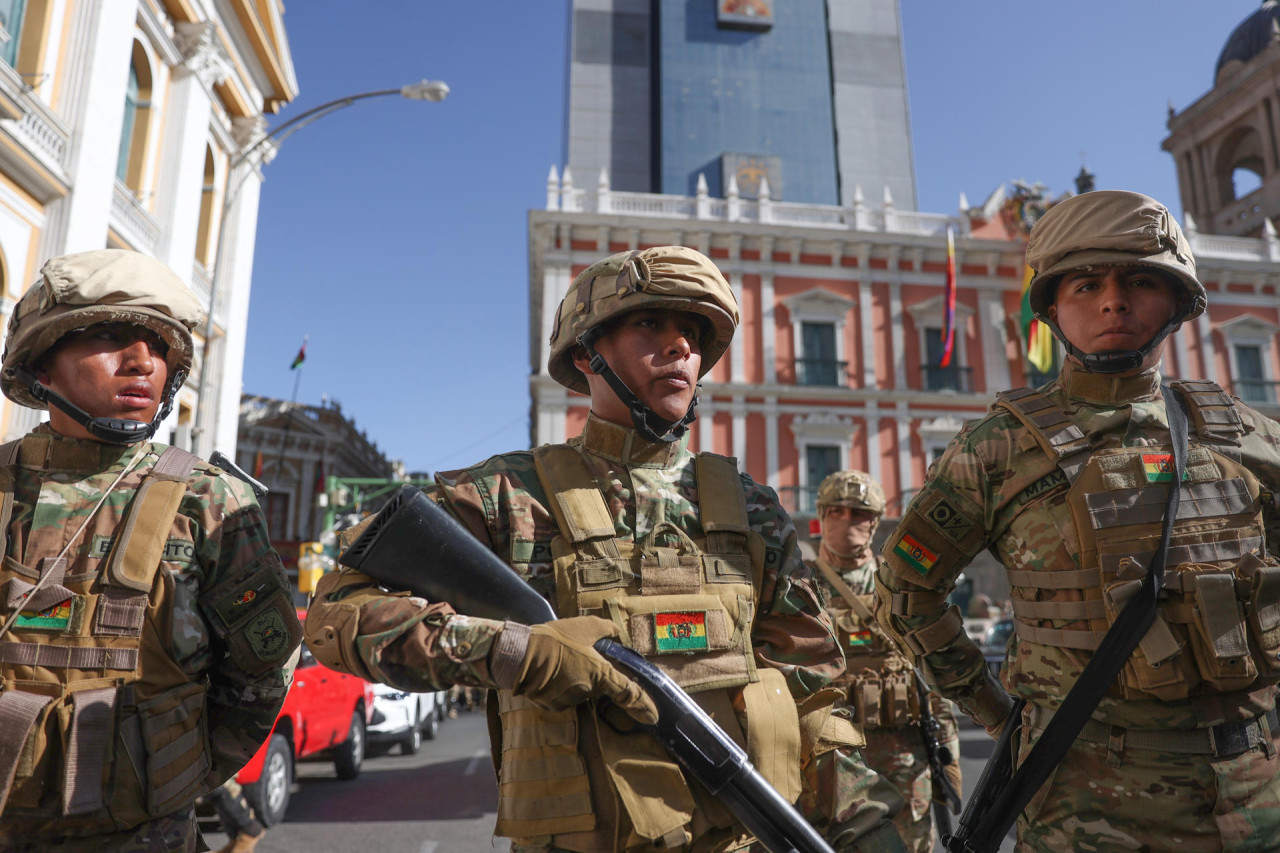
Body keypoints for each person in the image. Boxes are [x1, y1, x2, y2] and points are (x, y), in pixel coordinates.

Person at [306, 245, 905, 852]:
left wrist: (868, 820)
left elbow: (810, 695)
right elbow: (336, 614)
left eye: (692, 333)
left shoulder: (750, 510)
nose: (679, 348)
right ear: (585, 353)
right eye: (650, 324)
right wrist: (516, 652)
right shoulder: (509, 495)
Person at [874, 190, 1280, 851]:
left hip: (1257, 800)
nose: (1113, 301)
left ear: (1176, 300)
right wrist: (995, 712)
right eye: (1087, 283)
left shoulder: (1255, 442)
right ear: (1053, 309)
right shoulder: (996, 451)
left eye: (1140, 281)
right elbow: (905, 590)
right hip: (1082, 809)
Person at [0, 250, 301, 852]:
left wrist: (168, 780)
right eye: (111, 336)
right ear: (42, 365)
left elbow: (261, 674)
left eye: (159, 347)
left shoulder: (207, 502)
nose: (142, 361)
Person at [808, 470, 960, 853]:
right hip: (829, 759)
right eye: (837, 511)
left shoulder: (898, 584)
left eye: (858, 513)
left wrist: (949, 748)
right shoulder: (799, 584)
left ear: (875, 520)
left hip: (903, 756)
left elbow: (929, 666)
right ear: (822, 515)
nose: (847, 521)